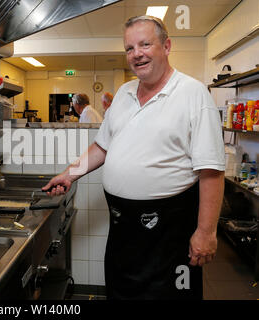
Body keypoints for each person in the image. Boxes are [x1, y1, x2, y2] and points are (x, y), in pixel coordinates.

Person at [42, 15, 225, 300]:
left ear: (166, 45)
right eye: (129, 48)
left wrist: (206, 232)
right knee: (121, 292)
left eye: (145, 44)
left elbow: (211, 171)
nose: (136, 54)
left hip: (170, 231)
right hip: (122, 228)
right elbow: (101, 147)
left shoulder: (193, 94)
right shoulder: (125, 93)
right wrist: (69, 174)